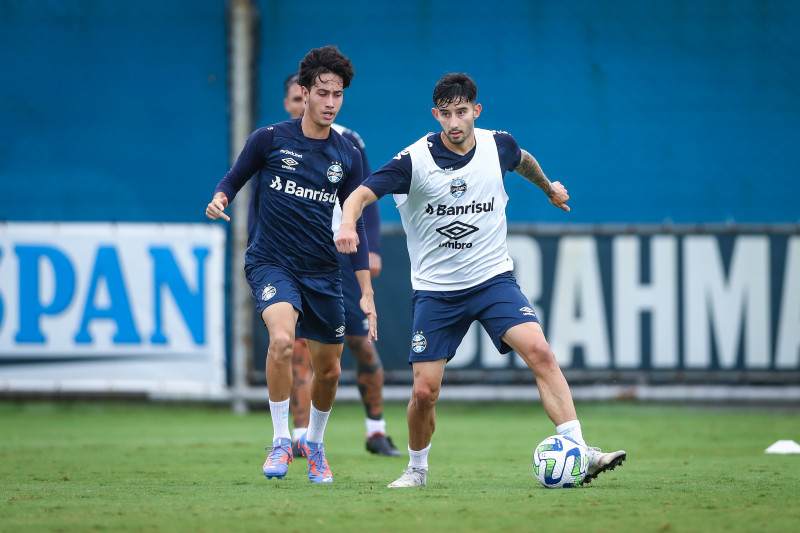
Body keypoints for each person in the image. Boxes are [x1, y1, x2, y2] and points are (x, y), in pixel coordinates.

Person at [336, 73, 626, 488]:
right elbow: (360, 194)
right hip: (437, 293)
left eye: (462, 112)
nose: (454, 123)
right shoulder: (412, 161)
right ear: (435, 114)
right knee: (424, 393)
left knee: (541, 351)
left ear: (476, 111)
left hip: (493, 281)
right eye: (446, 114)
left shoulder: (498, 144)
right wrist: (348, 223)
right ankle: (416, 469)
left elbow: (522, 159)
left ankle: (580, 450)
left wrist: (548, 189)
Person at [206, 45, 376, 484]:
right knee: (282, 340)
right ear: (304, 93)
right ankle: (282, 440)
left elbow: (353, 225)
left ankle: (315, 446)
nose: (330, 102)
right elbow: (235, 177)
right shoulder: (270, 138)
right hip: (272, 262)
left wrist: (366, 292)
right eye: (322, 93)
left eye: (338, 95)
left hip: (322, 271)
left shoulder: (347, 156)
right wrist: (220, 197)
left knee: (330, 369)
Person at [276, 73, 399, 457]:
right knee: (297, 347)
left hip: (342, 256)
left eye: (332, 95)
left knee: (361, 344)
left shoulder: (349, 144)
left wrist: (372, 248)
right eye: (299, 98)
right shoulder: (277, 141)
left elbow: (366, 198)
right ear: (293, 102)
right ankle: (298, 436)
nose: (308, 103)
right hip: (295, 255)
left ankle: (376, 431)